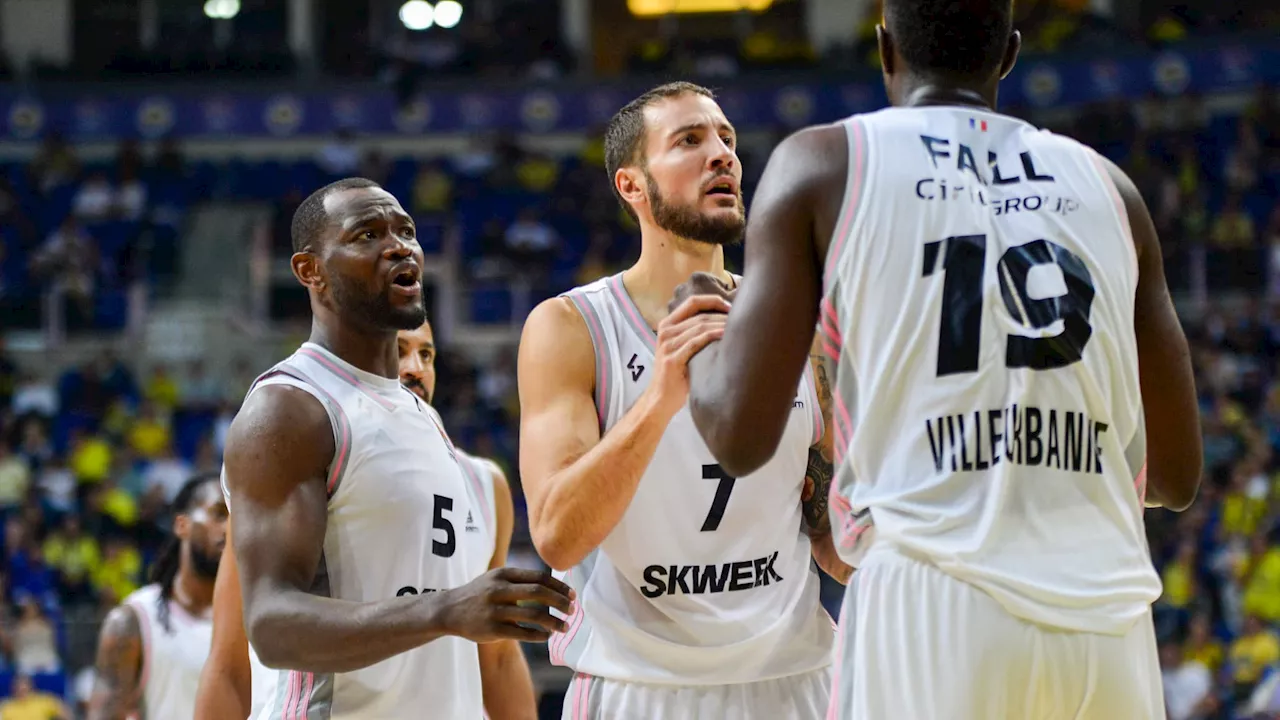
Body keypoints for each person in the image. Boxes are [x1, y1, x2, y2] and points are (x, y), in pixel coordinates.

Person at [674, 1, 1204, 718]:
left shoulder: (824, 163)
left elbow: (739, 436)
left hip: (931, 604)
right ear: (1009, 54)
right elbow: (1175, 476)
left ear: (885, 49)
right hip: (1107, 616)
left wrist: (701, 329)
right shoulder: (1111, 189)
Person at [518, 82, 848, 720]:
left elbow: (831, 532)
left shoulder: (801, 326)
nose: (721, 155)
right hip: (639, 688)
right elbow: (558, 535)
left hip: (795, 680)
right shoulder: (571, 327)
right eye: (689, 141)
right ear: (632, 186)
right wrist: (662, 395)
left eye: (726, 138)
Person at [219, 177, 572, 719]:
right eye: (367, 234)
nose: (399, 246)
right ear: (310, 271)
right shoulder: (291, 408)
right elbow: (270, 627)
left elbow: (489, 658)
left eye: (406, 231)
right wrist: (443, 611)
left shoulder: (420, 416)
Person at [195, 317, 538, 720]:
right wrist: (440, 609)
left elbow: (496, 658)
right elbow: (228, 660)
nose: (415, 367)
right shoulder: (310, 455)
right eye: (400, 350)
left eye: (426, 354)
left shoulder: (485, 483)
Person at [88, 474, 227, 720]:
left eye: (236, 518)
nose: (229, 528)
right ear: (181, 525)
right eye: (218, 514)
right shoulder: (135, 619)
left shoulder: (252, 618)